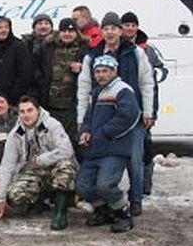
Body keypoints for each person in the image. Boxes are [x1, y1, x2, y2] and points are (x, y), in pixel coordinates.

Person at [76, 12, 154, 216]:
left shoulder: (135, 52)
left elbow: (146, 83)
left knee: (135, 160)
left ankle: (135, 200)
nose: (110, 31)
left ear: (120, 31)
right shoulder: (91, 54)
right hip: (101, 115)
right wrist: (81, 119)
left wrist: (148, 110)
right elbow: (83, 88)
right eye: (106, 28)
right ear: (101, 31)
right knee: (102, 165)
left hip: (131, 115)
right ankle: (107, 206)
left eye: (114, 28)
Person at [0, 96, 78, 231]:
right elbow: (7, 166)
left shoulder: (52, 125)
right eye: (22, 111)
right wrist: (0, 198)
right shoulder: (16, 134)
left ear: (38, 110)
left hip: (57, 165)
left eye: (30, 110)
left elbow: (67, 150)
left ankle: (60, 212)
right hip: (35, 171)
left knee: (65, 167)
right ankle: (40, 200)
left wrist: (42, 159)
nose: (26, 115)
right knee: (14, 196)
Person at [77, 55, 141, 233]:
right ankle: (103, 211)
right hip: (95, 148)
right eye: (97, 71)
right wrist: (85, 132)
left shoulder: (123, 90)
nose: (101, 75)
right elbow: (88, 117)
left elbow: (128, 116)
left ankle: (123, 214)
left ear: (114, 71)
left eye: (105, 71)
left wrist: (104, 132)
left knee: (105, 185)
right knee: (83, 185)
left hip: (114, 148)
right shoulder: (96, 92)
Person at [121, 11, 167, 196]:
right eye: (126, 25)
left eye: (133, 25)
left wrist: (152, 112)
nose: (130, 28)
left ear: (137, 27)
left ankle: (144, 186)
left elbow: (161, 71)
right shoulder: (118, 48)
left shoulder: (147, 49)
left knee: (145, 149)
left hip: (143, 107)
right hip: (125, 108)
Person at [36, 18, 87, 156]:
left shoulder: (85, 48)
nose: (67, 34)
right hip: (50, 105)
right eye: (64, 30)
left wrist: (83, 68)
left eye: (71, 31)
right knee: (50, 143)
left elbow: (96, 71)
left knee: (73, 143)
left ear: (76, 32)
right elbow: (38, 69)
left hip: (72, 107)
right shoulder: (48, 47)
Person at [0, 16, 32, 112]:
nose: (3, 30)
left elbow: (25, 74)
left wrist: (11, 97)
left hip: (13, 101)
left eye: (6, 27)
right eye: (0, 27)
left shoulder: (19, 47)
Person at [21, 13, 56, 97]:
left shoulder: (57, 42)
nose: (43, 26)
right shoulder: (26, 43)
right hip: (31, 88)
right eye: (40, 24)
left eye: (46, 23)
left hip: (53, 88)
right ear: (34, 27)